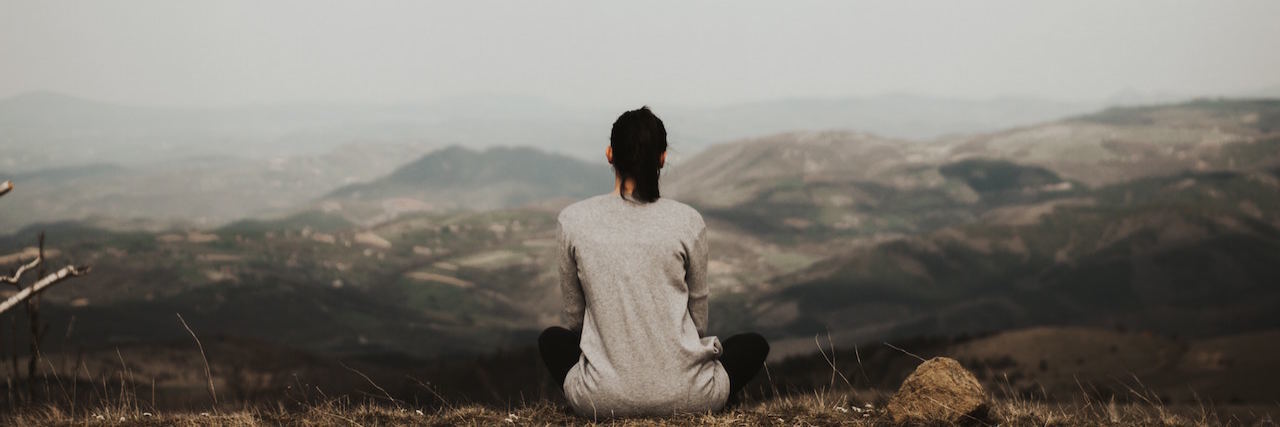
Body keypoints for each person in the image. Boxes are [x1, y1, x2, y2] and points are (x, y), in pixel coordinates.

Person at [538, 106, 769, 418]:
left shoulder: (572, 220)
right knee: (753, 345)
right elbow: (698, 322)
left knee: (551, 340)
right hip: (691, 396)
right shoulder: (688, 221)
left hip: (601, 399)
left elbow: (575, 321)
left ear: (609, 154)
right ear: (662, 158)